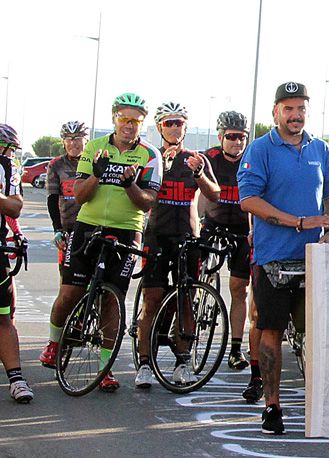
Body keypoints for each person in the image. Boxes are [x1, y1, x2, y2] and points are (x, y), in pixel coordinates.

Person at [40, 93, 162, 392]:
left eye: (135, 120)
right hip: (88, 226)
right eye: (124, 118)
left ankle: (105, 368)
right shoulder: (94, 148)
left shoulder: (150, 155)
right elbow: (80, 195)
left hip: (125, 230)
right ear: (114, 119)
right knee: (69, 292)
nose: (129, 125)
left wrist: (129, 183)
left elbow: (146, 204)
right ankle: (55, 343)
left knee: (112, 300)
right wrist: (97, 175)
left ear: (142, 124)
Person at [237, 81, 329, 434]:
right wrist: (297, 222)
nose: (295, 115)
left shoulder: (322, 149)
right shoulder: (260, 149)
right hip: (273, 260)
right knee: (271, 332)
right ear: (276, 112)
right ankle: (272, 406)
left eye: (300, 109)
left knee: (316, 334)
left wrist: (328, 229)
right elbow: (248, 200)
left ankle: (320, 405)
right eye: (288, 108)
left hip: (314, 260)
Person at [134, 102, 220, 389]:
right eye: (169, 122)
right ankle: (145, 363)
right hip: (157, 236)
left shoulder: (196, 159)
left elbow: (215, 194)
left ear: (186, 126)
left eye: (179, 122)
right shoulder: (151, 157)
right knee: (152, 300)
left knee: (185, 301)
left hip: (187, 238)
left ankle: (183, 361)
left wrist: (199, 174)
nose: (174, 127)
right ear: (159, 127)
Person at [201, 111, 254, 373]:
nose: (237, 142)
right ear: (221, 136)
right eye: (232, 137)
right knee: (197, 277)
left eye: (242, 137)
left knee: (239, 289)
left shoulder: (252, 159)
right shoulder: (209, 158)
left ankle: (235, 348)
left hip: (241, 230)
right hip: (212, 225)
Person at [0, 123, 31, 403]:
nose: (9, 154)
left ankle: (16, 379)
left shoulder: (9, 169)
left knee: (3, 316)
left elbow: (14, 206)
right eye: (7, 149)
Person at [45, 121, 89, 285]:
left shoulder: (95, 161)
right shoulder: (56, 164)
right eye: (68, 138)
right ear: (63, 141)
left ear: (86, 139)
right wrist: (57, 229)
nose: (73, 143)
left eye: (77, 138)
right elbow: (52, 198)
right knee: (67, 280)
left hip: (93, 226)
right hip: (68, 228)